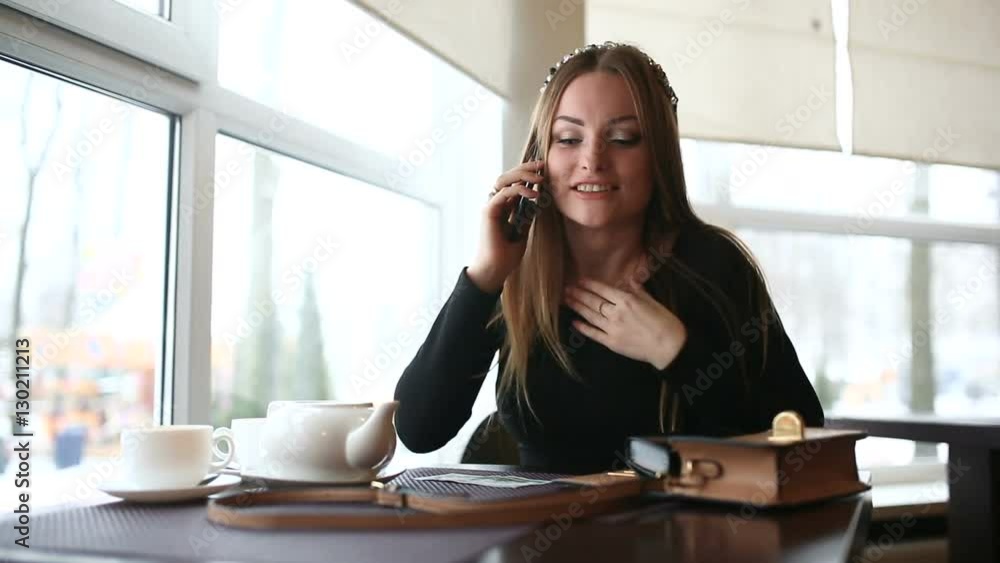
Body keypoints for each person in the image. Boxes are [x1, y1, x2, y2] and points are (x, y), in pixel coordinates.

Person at [394, 42, 823, 475]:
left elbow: (800, 441)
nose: (592, 160)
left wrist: (677, 352)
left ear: (658, 157)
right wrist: (485, 276)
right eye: (568, 139)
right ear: (540, 157)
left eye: (622, 139)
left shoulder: (713, 265)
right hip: (541, 538)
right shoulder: (517, 271)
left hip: (683, 537)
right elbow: (420, 429)